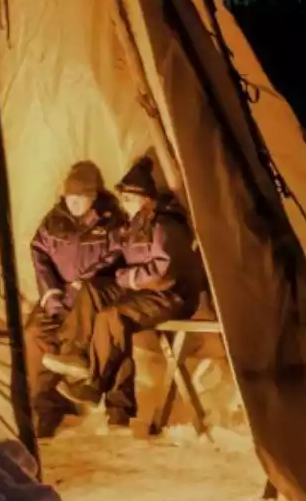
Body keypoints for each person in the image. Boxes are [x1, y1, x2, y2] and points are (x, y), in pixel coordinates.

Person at [40, 156, 204, 428]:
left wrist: (128, 279)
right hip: (145, 290)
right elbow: (118, 252)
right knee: (94, 290)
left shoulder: (164, 225)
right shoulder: (136, 224)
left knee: (112, 317)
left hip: (171, 295)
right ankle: (78, 355)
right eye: (124, 199)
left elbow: (165, 271)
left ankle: (93, 384)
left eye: (129, 199)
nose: (124, 205)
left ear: (146, 199)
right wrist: (91, 276)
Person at [27, 160, 122, 436]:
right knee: (35, 332)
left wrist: (89, 279)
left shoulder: (110, 220)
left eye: (79, 199)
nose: (74, 205)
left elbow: (116, 253)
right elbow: (39, 253)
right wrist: (50, 292)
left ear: (92, 197)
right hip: (61, 294)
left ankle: (76, 379)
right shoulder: (54, 221)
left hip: (92, 294)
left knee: (72, 332)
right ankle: (46, 407)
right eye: (70, 198)